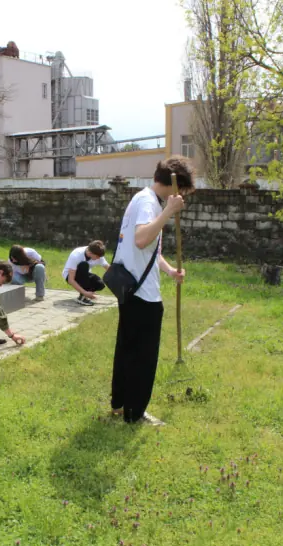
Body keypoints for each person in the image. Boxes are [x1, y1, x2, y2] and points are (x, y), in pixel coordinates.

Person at [110, 156, 191, 426]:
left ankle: (120, 405)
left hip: (131, 288)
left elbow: (150, 250)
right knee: (142, 357)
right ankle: (135, 412)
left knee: (127, 349)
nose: (182, 197)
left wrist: (169, 271)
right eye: (183, 192)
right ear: (174, 186)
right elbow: (142, 238)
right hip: (143, 295)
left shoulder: (142, 199)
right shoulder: (148, 203)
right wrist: (168, 213)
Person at [62, 240, 110, 306]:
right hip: (70, 275)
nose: (99, 259)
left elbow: (108, 268)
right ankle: (84, 295)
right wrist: (85, 292)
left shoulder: (97, 253)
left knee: (100, 284)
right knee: (84, 265)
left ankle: (83, 296)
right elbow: (71, 280)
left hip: (85, 275)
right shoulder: (76, 255)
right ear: (90, 253)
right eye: (97, 257)